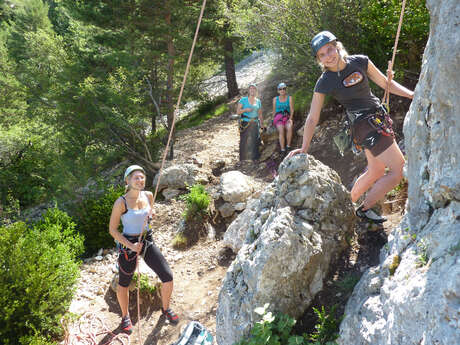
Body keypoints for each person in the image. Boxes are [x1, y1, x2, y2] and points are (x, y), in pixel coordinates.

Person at [289, 31, 414, 223]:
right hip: (365, 127)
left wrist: (413, 95)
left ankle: (347, 205)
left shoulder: (360, 62)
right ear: (319, 59)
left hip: (377, 119)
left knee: (376, 171)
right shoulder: (325, 81)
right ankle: (364, 209)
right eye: (322, 55)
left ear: (337, 46)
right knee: (398, 170)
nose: (328, 56)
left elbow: (386, 84)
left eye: (329, 49)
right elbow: (313, 117)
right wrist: (304, 147)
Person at [109, 165, 179, 334]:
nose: (140, 180)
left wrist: (151, 217)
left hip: (147, 241)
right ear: (127, 181)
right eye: (136, 178)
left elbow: (149, 216)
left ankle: (165, 308)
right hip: (129, 244)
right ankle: (125, 317)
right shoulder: (121, 202)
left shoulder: (148, 196)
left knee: (167, 276)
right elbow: (112, 230)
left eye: (142, 177)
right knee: (123, 283)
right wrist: (131, 246)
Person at [236, 84, 264, 161]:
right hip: (245, 122)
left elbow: (260, 114)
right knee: (244, 140)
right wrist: (245, 110)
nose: (252, 90)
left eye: (254, 88)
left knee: (255, 140)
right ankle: (242, 159)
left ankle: (255, 158)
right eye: (251, 88)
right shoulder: (243, 100)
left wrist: (262, 124)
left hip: (255, 122)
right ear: (248, 90)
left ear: (256, 91)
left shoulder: (258, 101)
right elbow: (238, 112)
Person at [272, 82, 294, 155]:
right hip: (278, 117)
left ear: (286, 90)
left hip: (287, 116)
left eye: (284, 88)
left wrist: (290, 118)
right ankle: (282, 149)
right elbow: (274, 110)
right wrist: (272, 120)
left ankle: (288, 146)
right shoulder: (275, 99)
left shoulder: (289, 98)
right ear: (278, 91)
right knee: (281, 130)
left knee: (289, 127)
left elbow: (292, 110)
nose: (282, 90)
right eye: (280, 89)